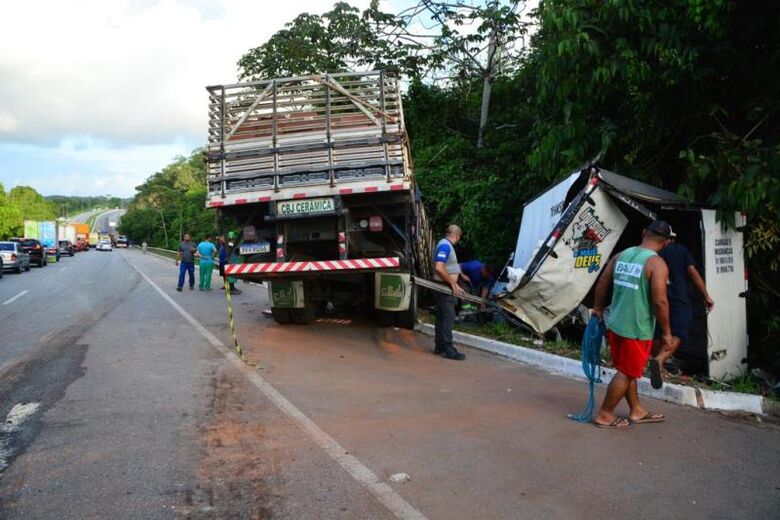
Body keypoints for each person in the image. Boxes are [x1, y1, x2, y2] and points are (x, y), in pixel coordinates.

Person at [591, 220, 674, 429]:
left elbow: (603, 281)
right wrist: (666, 332)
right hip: (636, 328)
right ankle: (605, 414)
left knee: (626, 369)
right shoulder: (657, 264)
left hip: (615, 324)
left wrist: (598, 308)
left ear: (644, 232)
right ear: (666, 242)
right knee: (627, 372)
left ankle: (636, 410)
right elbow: (660, 301)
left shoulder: (621, 255)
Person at [649, 237, 715, 387]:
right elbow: (692, 272)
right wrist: (706, 296)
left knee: (658, 330)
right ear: (672, 238)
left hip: (657, 296)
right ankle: (659, 360)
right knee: (680, 331)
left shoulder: (653, 252)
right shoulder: (680, 250)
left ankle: (658, 365)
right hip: (678, 298)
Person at [433, 224, 466, 361]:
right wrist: (453, 283)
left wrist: (455, 284)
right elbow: (439, 267)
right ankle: (448, 348)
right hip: (443, 286)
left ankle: (440, 346)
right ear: (456, 236)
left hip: (444, 285)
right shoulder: (445, 246)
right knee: (449, 315)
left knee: (442, 316)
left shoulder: (444, 244)